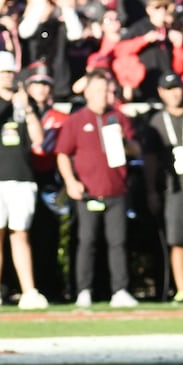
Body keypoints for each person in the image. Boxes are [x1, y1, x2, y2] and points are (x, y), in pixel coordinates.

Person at [54, 69, 141, 308]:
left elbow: (136, 150)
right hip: (88, 191)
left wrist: (124, 141)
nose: (107, 96)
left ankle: (120, 289)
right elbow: (62, 154)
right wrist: (71, 182)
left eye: (109, 91)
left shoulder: (119, 118)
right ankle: (83, 289)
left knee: (118, 241)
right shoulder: (76, 120)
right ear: (90, 93)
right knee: (87, 241)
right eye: (103, 91)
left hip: (116, 190)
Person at [0, 50, 50, 309]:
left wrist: (26, 107)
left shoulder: (23, 101)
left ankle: (29, 290)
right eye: (1, 72)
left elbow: (38, 139)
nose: (6, 77)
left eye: (9, 72)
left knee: (20, 235)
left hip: (21, 177)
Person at [142, 72, 183, 302]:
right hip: (175, 188)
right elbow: (150, 160)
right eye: (169, 89)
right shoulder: (156, 121)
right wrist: (151, 190)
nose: (175, 93)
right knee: (178, 239)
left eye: (178, 88)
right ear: (161, 92)